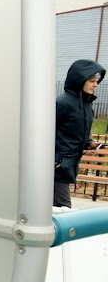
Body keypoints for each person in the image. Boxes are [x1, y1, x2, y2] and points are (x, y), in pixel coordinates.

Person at [54, 59, 106, 208]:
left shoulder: (86, 106)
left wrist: (89, 143)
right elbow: (43, 133)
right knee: (63, 211)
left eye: (97, 81)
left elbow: (73, 133)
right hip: (56, 168)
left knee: (56, 212)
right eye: (92, 81)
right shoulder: (62, 103)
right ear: (80, 80)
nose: (96, 84)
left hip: (68, 167)